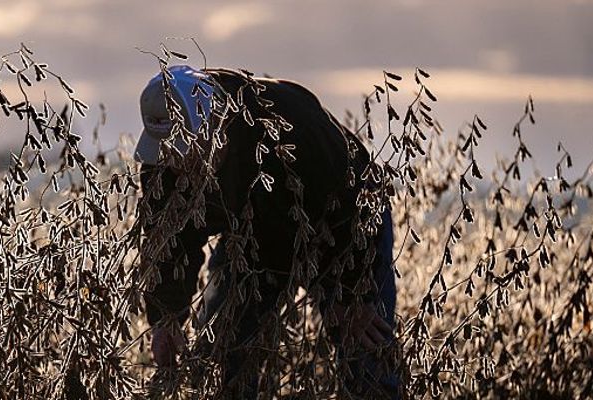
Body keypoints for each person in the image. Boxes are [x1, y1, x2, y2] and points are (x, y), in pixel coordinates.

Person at [135, 64, 399, 398]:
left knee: (365, 351)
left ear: (218, 125)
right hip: (253, 243)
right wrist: (165, 317)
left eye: (186, 151)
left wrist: (353, 296)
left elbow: (355, 205)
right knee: (222, 354)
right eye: (168, 153)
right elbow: (169, 243)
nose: (176, 163)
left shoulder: (291, 124)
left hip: (343, 229)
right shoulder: (164, 163)